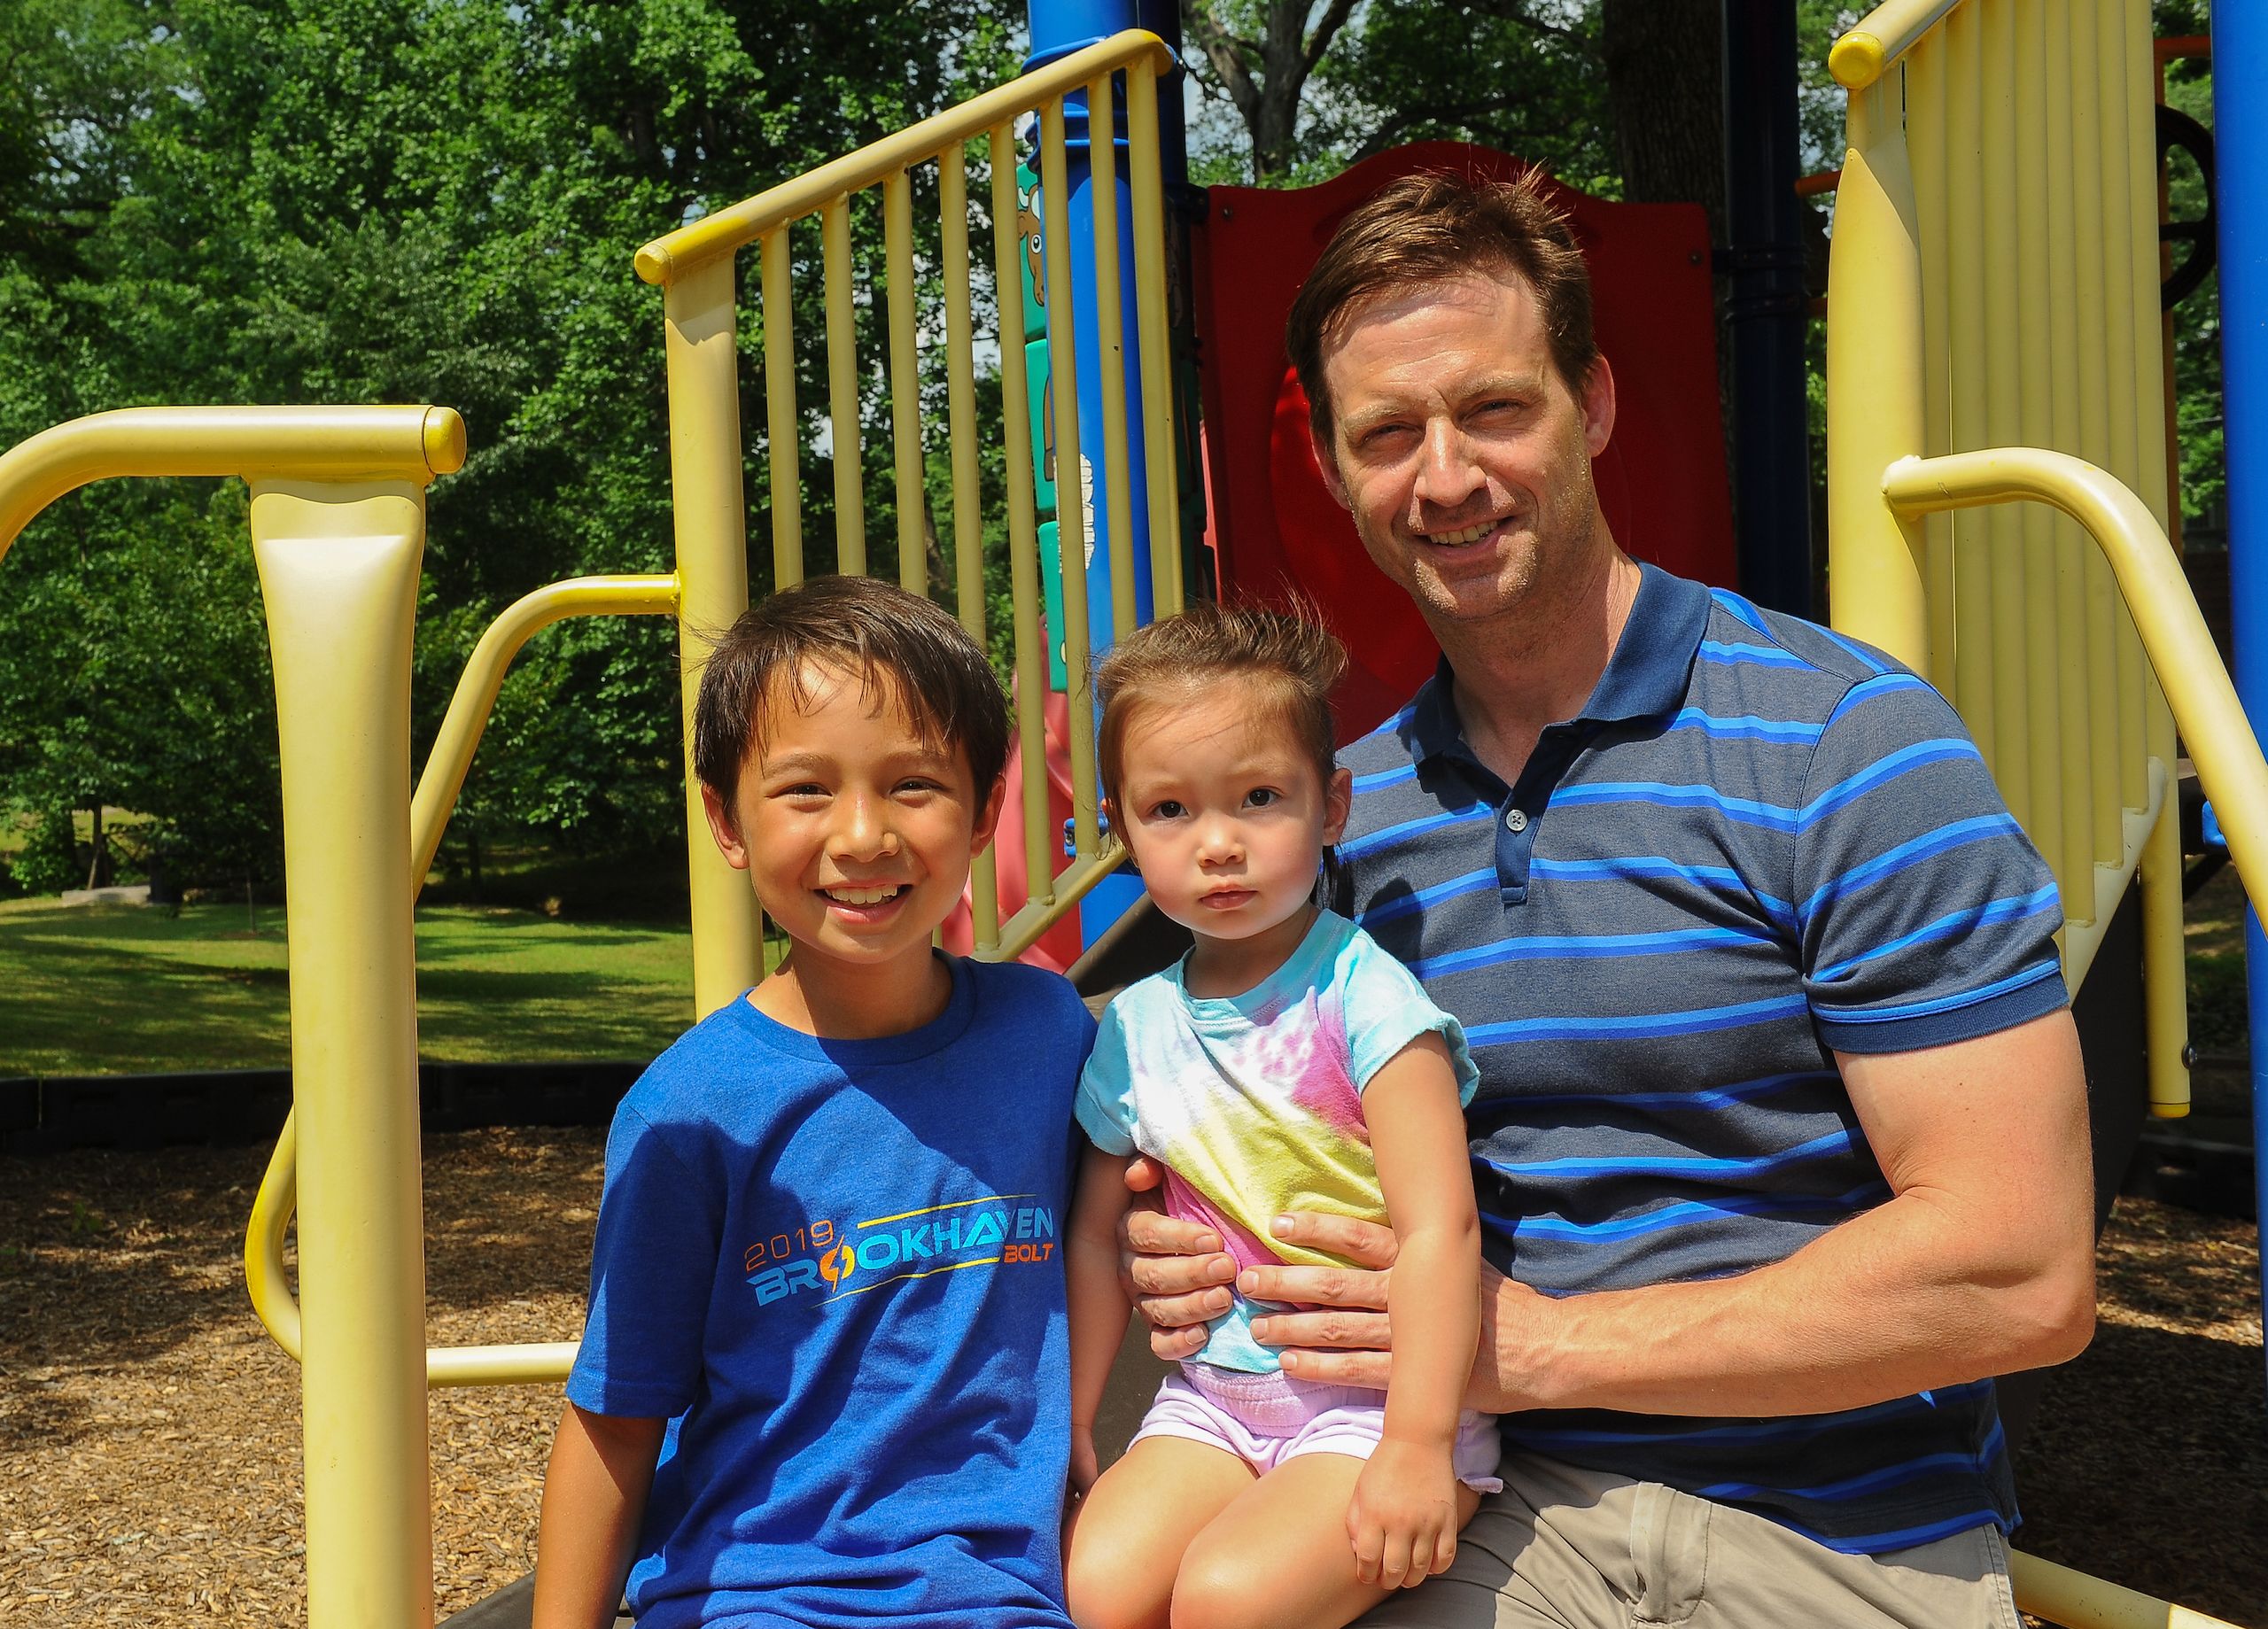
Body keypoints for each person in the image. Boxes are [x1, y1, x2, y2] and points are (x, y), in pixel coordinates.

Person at [1119, 171, 2096, 1629]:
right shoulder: (1331, 826)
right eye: (1388, 432)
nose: (1444, 477)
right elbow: (1255, 1128)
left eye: (1495, 409)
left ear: (1597, 403)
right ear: (1332, 471)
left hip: (1836, 1528)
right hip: (1482, 1512)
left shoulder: (1844, 746)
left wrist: (1535, 1346)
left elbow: (2023, 1270)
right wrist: (1190, 1240)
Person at [531, 575, 1098, 1629]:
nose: (863, 835)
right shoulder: (692, 1109)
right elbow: (617, 1416)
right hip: (760, 1592)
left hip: (1007, 1594)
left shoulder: (1049, 1036)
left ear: (984, 808)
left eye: (913, 784)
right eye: (804, 790)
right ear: (725, 820)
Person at [1060, 603, 1499, 1629]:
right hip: (1213, 1399)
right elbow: (1094, 1233)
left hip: (1373, 1406)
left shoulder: (1363, 995)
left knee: (1225, 1601)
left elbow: (1442, 1227)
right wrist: (1073, 1421)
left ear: (1332, 804)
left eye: (1259, 798)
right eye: (1169, 811)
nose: (1217, 844)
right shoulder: (1134, 1025)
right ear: (1121, 826)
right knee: (1091, 1588)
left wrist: (1418, 1446)